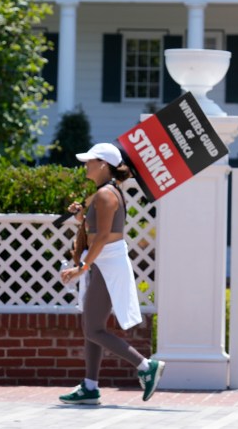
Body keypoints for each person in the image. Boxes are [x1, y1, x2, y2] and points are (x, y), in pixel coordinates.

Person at [58, 143, 165, 405]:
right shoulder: (104, 193)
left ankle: (145, 366)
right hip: (104, 261)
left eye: (90, 161)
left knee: (93, 328)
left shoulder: (106, 195)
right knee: (92, 327)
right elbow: (98, 230)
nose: (86, 165)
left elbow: (104, 236)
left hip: (106, 262)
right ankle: (90, 386)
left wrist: (81, 268)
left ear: (103, 165)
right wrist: (82, 215)